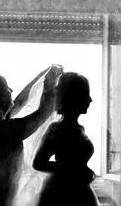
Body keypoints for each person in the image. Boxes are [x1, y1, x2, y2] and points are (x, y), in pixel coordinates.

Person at [0, 65, 63, 206]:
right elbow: (44, 112)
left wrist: (41, 76)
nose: (11, 90)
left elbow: (21, 101)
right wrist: (50, 81)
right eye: (6, 88)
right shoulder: (3, 131)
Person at [32, 72, 99, 206]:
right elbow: (38, 163)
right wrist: (75, 170)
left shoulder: (80, 128)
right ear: (74, 97)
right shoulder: (56, 129)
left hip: (78, 192)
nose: (90, 100)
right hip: (62, 194)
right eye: (86, 94)